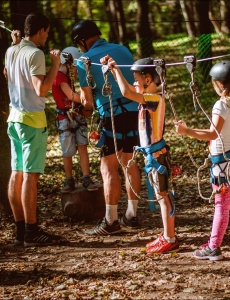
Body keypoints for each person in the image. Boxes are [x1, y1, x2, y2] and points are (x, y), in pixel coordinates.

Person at [175, 61, 230, 260]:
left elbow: (213, 134)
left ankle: (214, 246)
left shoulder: (221, 104)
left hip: (222, 164)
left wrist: (187, 131)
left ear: (220, 84)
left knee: (222, 204)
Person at [101, 55, 178, 253]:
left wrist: (115, 69)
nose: (134, 83)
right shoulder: (146, 100)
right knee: (162, 197)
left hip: (157, 156)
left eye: (136, 79)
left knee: (163, 197)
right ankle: (166, 234)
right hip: (151, 156)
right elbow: (129, 90)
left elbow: (126, 92)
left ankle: (170, 237)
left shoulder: (154, 99)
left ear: (149, 80)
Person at [71, 20, 141, 234]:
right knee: (129, 162)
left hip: (112, 116)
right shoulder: (122, 50)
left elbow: (88, 103)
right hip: (134, 112)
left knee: (108, 167)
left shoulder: (84, 61)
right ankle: (132, 214)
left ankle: (110, 221)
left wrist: (77, 100)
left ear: (81, 41)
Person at [4, 12, 63, 246]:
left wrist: (14, 45)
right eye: (47, 32)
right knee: (30, 175)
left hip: (14, 118)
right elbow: (41, 89)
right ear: (40, 31)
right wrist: (56, 65)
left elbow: (7, 74)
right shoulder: (35, 53)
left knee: (16, 172)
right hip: (32, 120)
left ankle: (21, 230)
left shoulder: (11, 50)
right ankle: (31, 231)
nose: (47, 36)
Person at [52, 46, 98, 193]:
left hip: (77, 116)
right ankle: (69, 179)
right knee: (68, 151)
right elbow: (73, 96)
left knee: (83, 146)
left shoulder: (67, 77)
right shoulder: (59, 77)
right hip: (65, 118)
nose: (77, 71)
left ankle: (86, 178)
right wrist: (88, 99)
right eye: (76, 67)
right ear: (68, 63)